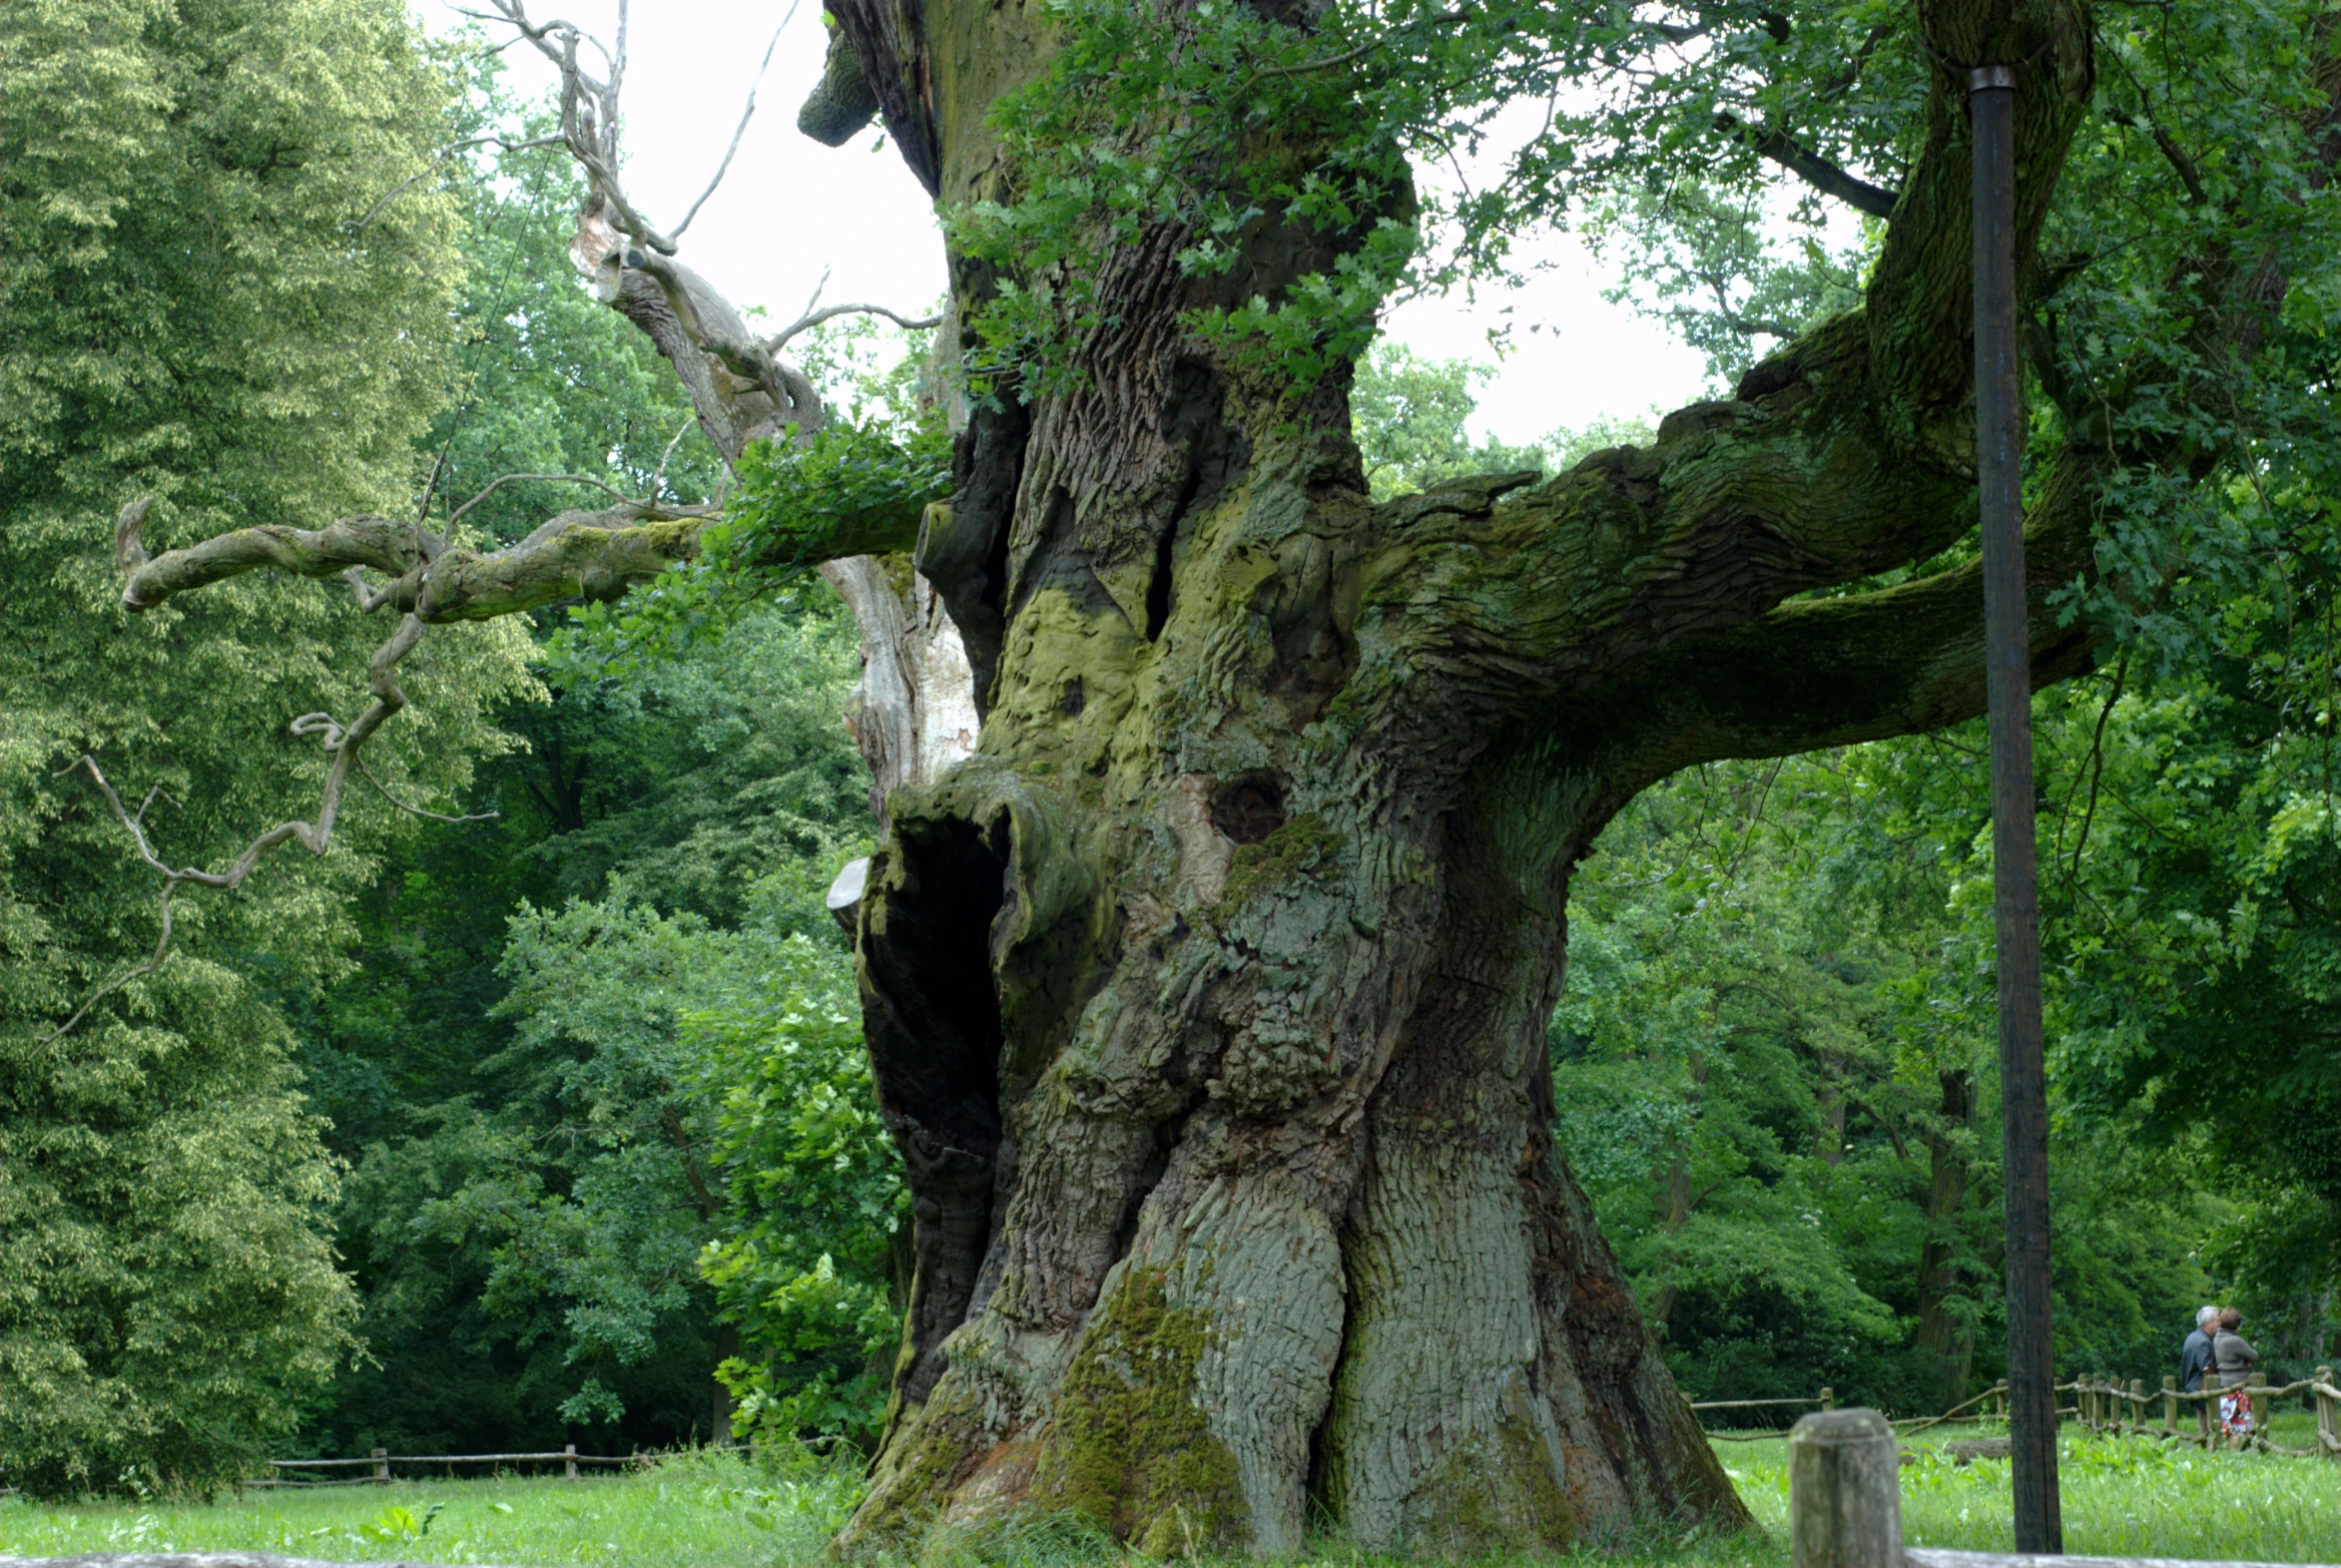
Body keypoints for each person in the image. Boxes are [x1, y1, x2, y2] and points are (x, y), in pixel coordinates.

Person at [2213, 1307, 2260, 1444]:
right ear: (2236, 1324)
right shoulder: (2236, 1341)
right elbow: (2254, 1356)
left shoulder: (2217, 1338)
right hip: (2239, 1385)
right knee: (2240, 1425)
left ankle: (2228, 1450)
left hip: (2224, 1385)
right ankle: (2238, 1452)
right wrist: (2246, 1362)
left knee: (2227, 1424)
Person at [2182, 1305, 2219, 1440]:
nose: (2219, 1323)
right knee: (2210, 1424)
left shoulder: (2192, 1337)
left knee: (2203, 1425)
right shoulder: (2204, 1342)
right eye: (2217, 1320)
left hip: (2191, 1387)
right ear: (2208, 1324)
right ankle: (2212, 1445)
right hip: (2200, 1389)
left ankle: (2206, 1446)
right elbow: (2207, 1370)